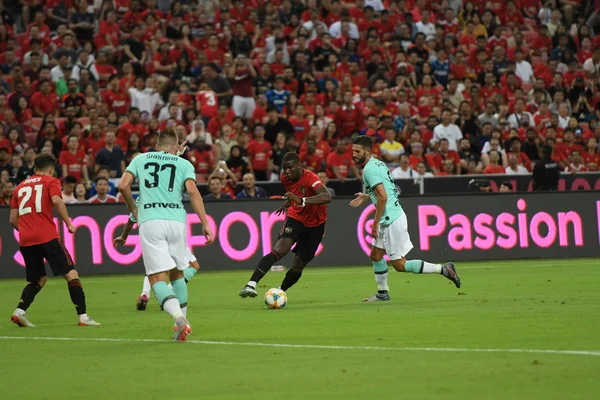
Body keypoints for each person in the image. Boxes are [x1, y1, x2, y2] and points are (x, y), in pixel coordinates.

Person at [119, 131, 214, 341]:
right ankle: (182, 326)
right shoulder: (184, 164)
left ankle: (179, 320)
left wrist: (134, 209)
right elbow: (192, 191)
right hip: (177, 221)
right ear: (176, 145)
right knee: (178, 273)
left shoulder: (140, 159)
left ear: (156, 144)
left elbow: (123, 185)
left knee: (156, 278)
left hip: (151, 221)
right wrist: (205, 223)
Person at [349, 136, 461, 302]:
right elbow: (385, 189)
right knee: (376, 255)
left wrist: (375, 222)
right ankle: (382, 293)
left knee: (400, 265)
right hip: (392, 214)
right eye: (353, 151)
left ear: (367, 151)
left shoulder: (369, 170)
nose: (354, 155)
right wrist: (367, 196)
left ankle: (444, 269)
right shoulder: (377, 163)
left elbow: (383, 198)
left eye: (357, 151)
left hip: (390, 219)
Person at [9, 154, 100, 327]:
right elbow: (57, 201)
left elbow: (13, 220)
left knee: (38, 280)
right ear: (51, 169)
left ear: (34, 168)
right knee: (71, 274)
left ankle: (19, 312)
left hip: (27, 240)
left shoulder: (19, 188)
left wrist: (28, 231)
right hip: (48, 237)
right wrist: (69, 223)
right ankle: (83, 317)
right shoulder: (51, 181)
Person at [239, 152, 332, 298]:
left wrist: (301, 201)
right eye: (284, 169)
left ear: (299, 167)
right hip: (296, 218)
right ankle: (251, 284)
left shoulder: (311, 177)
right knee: (279, 250)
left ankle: (280, 291)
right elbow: (294, 193)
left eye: (290, 168)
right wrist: (289, 203)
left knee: (297, 266)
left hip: (316, 225)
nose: (286, 172)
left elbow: (327, 196)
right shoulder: (285, 178)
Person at [113, 196, 201, 312]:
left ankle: (146, 294)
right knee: (192, 266)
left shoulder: (143, 197)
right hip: (172, 231)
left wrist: (124, 236)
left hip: (152, 234)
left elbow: (131, 219)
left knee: (157, 268)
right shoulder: (165, 190)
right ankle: (168, 295)